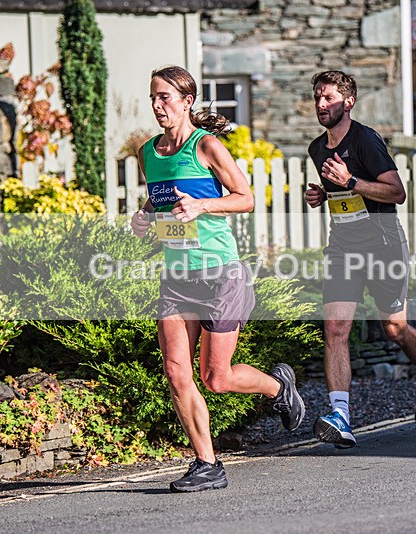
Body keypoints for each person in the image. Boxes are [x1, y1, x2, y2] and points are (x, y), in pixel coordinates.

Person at [130, 65, 305, 492]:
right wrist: (144, 218)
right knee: (176, 372)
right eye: (153, 97)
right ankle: (207, 464)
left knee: (217, 377)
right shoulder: (147, 153)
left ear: (187, 101)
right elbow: (161, 205)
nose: (157, 105)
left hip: (220, 274)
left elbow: (245, 198)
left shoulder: (205, 146)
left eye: (165, 97)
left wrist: (203, 207)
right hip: (176, 275)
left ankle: (276, 387)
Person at [305, 70, 416, 448]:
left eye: (329, 98)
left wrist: (351, 181)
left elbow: (396, 193)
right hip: (343, 247)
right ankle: (340, 414)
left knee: (394, 328)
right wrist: (322, 195)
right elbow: (343, 196)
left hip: (383, 245)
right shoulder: (317, 148)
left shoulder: (365, 140)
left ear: (347, 102)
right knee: (335, 329)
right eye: (317, 97)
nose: (321, 104)